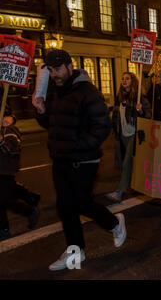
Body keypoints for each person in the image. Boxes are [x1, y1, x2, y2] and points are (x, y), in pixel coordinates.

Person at [32, 49, 127, 270]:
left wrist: (79, 146)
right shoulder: (55, 93)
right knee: (65, 208)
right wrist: (41, 111)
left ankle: (114, 223)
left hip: (82, 160)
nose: (55, 74)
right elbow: (51, 124)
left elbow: (102, 126)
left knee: (81, 203)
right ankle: (76, 252)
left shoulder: (87, 91)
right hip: (60, 159)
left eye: (58, 69)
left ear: (69, 66)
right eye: (51, 70)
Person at [107, 72, 151, 203]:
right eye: (122, 78)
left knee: (126, 162)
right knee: (133, 162)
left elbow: (149, 115)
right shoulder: (119, 97)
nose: (124, 80)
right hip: (123, 134)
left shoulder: (140, 98)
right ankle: (139, 185)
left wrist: (141, 110)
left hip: (135, 134)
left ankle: (119, 191)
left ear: (133, 81)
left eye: (127, 78)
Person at [0, 100, 40, 241]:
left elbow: (12, 149)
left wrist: (1, 140)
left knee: (3, 199)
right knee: (7, 190)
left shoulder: (8, 128)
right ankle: (32, 198)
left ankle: (5, 228)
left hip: (4, 168)